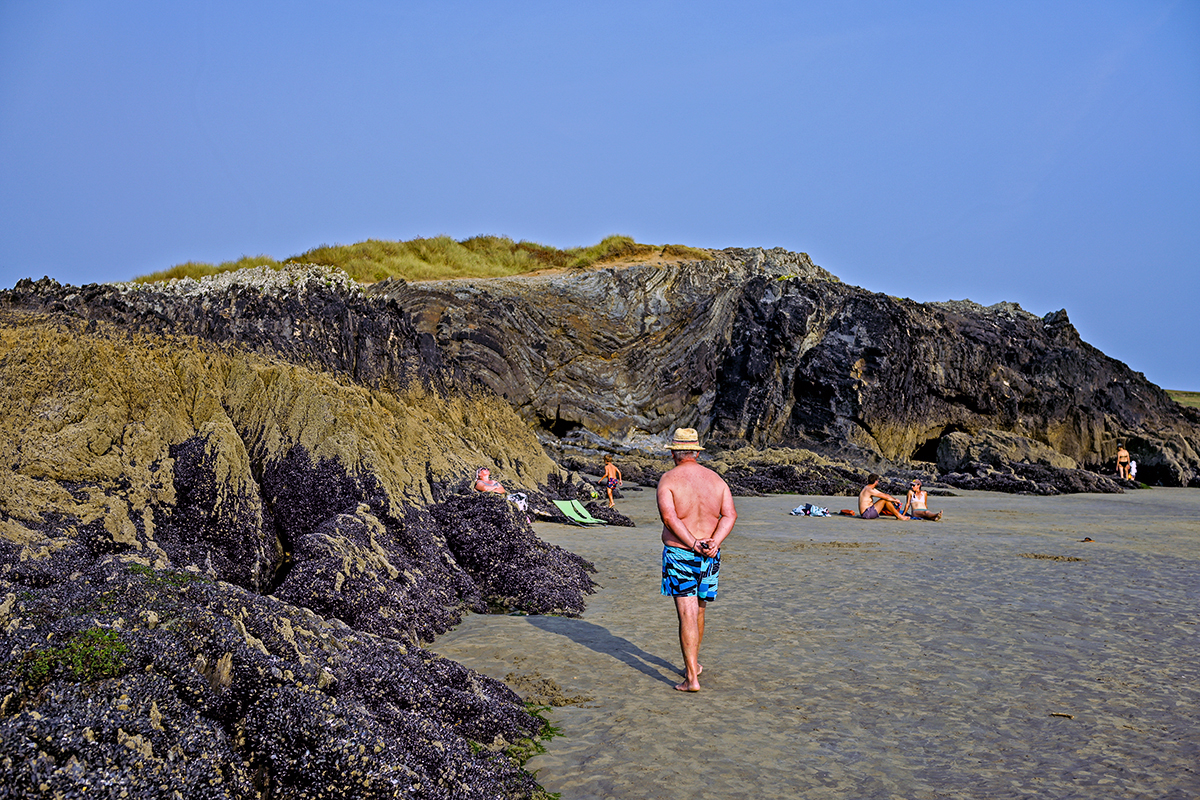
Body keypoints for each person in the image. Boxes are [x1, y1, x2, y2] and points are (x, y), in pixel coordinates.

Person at [656, 427, 736, 693]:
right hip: (710, 553)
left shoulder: (669, 479)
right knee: (700, 609)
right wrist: (714, 542)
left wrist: (691, 543)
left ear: (675, 453)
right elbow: (729, 515)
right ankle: (695, 664)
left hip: (682, 552)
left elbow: (670, 518)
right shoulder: (716, 480)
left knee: (687, 612)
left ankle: (691, 678)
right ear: (696, 452)